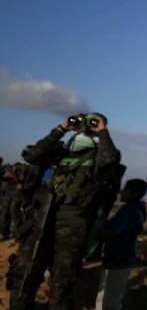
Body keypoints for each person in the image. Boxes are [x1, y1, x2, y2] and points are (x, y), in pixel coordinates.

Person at [7, 113, 121, 310]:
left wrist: (102, 131)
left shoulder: (99, 156)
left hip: (73, 221)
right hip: (42, 215)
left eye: (91, 123)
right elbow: (32, 155)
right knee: (24, 275)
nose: (86, 127)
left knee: (62, 281)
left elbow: (110, 158)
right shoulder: (60, 152)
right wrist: (61, 129)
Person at [95, 178, 147, 310]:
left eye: (126, 190)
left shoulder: (131, 213)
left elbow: (111, 234)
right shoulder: (130, 210)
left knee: (110, 301)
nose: (122, 192)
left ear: (134, 194)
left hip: (119, 259)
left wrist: (98, 231)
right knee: (104, 299)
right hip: (115, 259)